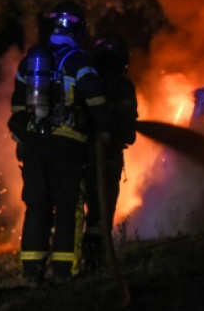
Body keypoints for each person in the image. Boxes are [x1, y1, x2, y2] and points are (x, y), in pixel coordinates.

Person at [7, 0, 111, 285]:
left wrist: (25, 133)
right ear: (77, 29)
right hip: (68, 145)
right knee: (68, 206)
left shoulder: (30, 62)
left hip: (34, 146)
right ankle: (65, 272)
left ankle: (32, 271)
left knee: (37, 206)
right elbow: (95, 97)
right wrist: (104, 130)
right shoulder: (77, 60)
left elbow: (17, 105)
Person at [81, 33, 138, 273]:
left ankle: (73, 258)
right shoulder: (123, 86)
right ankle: (95, 258)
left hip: (81, 155)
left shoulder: (86, 80)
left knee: (79, 206)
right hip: (109, 157)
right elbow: (129, 132)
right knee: (102, 208)